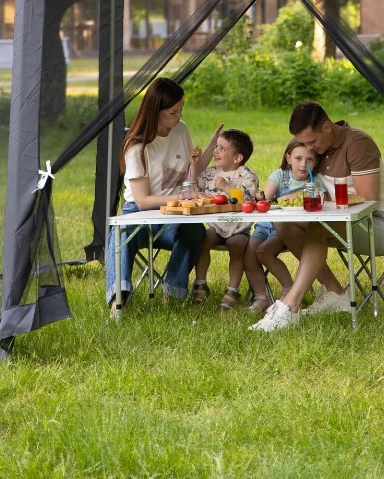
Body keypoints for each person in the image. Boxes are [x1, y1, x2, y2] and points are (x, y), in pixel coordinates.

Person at [250, 100, 384, 333]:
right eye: (304, 143)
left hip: (380, 226)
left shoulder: (358, 144)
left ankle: (290, 305)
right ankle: (336, 294)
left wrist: (320, 201)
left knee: (319, 226)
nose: (309, 148)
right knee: (284, 223)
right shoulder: (320, 150)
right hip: (343, 223)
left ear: (328, 127)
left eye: (312, 141)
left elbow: (368, 200)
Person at [105, 77, 213, 315]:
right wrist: (182, 198)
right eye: (173, 112)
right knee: (121, 234)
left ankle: (171, 293)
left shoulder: (181, 129)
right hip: (140, 212)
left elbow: (190, 173)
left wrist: (199, 165)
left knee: (195, 231)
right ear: (155, 111)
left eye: (181, 109)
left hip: (174, 215)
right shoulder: (137, 147)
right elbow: (142, 200)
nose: (179, 116)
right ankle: (118, 299)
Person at [243, 140, 321, 312]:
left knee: (263, 252)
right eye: (298, 158)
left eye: (309, 159)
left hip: (287, 228)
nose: (303, 164)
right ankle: (261, 297)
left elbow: (320, 202)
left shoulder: (315, 182)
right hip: (265, 225)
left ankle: (289, 290)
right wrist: (261, 197)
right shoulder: (280, 175)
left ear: (316, 162)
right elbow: (265, 199)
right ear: (288, 158)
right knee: (249, 255)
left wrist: (301, 195)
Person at [192, 129, 260, 309]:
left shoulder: (246, 175)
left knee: (237, 245)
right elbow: (192, 188)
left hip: (239, 229)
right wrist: (194, 167)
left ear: (237, 158)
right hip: (216, 227)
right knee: (203, 239)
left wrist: (227, 187)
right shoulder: (210, 173)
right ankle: (200, 284)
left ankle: (232, 290)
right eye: (216, 146)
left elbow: (249, 201)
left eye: (222, 148)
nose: (215, 151)